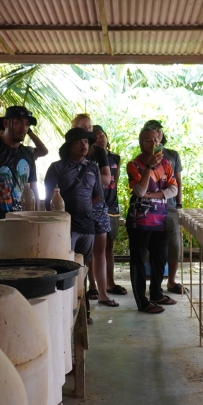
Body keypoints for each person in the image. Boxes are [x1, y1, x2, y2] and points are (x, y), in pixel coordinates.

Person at [125, 127, 178, 314]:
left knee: (159, 258)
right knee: (139, 261)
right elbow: (139, 191)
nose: (153, 144)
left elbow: (174, 190)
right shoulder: (134, 164)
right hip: (140, 221)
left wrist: (152, 195)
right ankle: (142, 301)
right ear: (141, 143)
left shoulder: (166, 163)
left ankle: (156, 293)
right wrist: (149, 167)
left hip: (160, 220)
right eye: (148, 140)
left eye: (156, 140)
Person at [0, 106, 47, 236]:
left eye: (27, 124)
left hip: (22, 222)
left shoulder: (27, 154)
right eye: (19, 122)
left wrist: (36, 218)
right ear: (6, 123)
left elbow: (33, 188)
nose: (24, 127)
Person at [71, 114, 117, 307]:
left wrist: (89, 174)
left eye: (90, 127)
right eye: (83, 127)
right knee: (80, 255)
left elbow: (108, 179)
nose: (89, 130)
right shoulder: (69, 150)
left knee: (100, 251)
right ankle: (82, 292)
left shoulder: (98, 152)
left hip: (98, 206)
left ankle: (103, 294)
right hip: (77, 208)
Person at [44, 127, 103, 270]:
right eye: (78, 142)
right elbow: (49, 199)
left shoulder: (93, 168)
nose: (84, 145)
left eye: (86, 142)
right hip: (65, 225)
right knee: (65, 264)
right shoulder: (57, 167)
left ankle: (81, 292)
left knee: (83, 265)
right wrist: (62, 218)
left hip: (87, 224)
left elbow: (98, 195)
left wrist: (86, 209)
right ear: (69, 146)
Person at [144, 120, 185, 295]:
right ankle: (156, 283)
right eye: (151, 132)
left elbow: (178, 182)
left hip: (170, 206)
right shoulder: (143, 156)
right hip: (151, 209)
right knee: (154, 246)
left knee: (174, 244)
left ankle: (172, 281)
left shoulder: (172, 155)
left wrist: (179, 203)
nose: (155, 135)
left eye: (158, 131)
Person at [94, 125, 127, 297]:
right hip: (96, 205)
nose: (100, 138)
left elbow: (116, 182)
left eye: (102, 135)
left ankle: (110, 283)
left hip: (112, 207)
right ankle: (93, 285)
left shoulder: (115, 158)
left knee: (109, 247)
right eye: (96, 135)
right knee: (95, 248)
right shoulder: (92, 158)